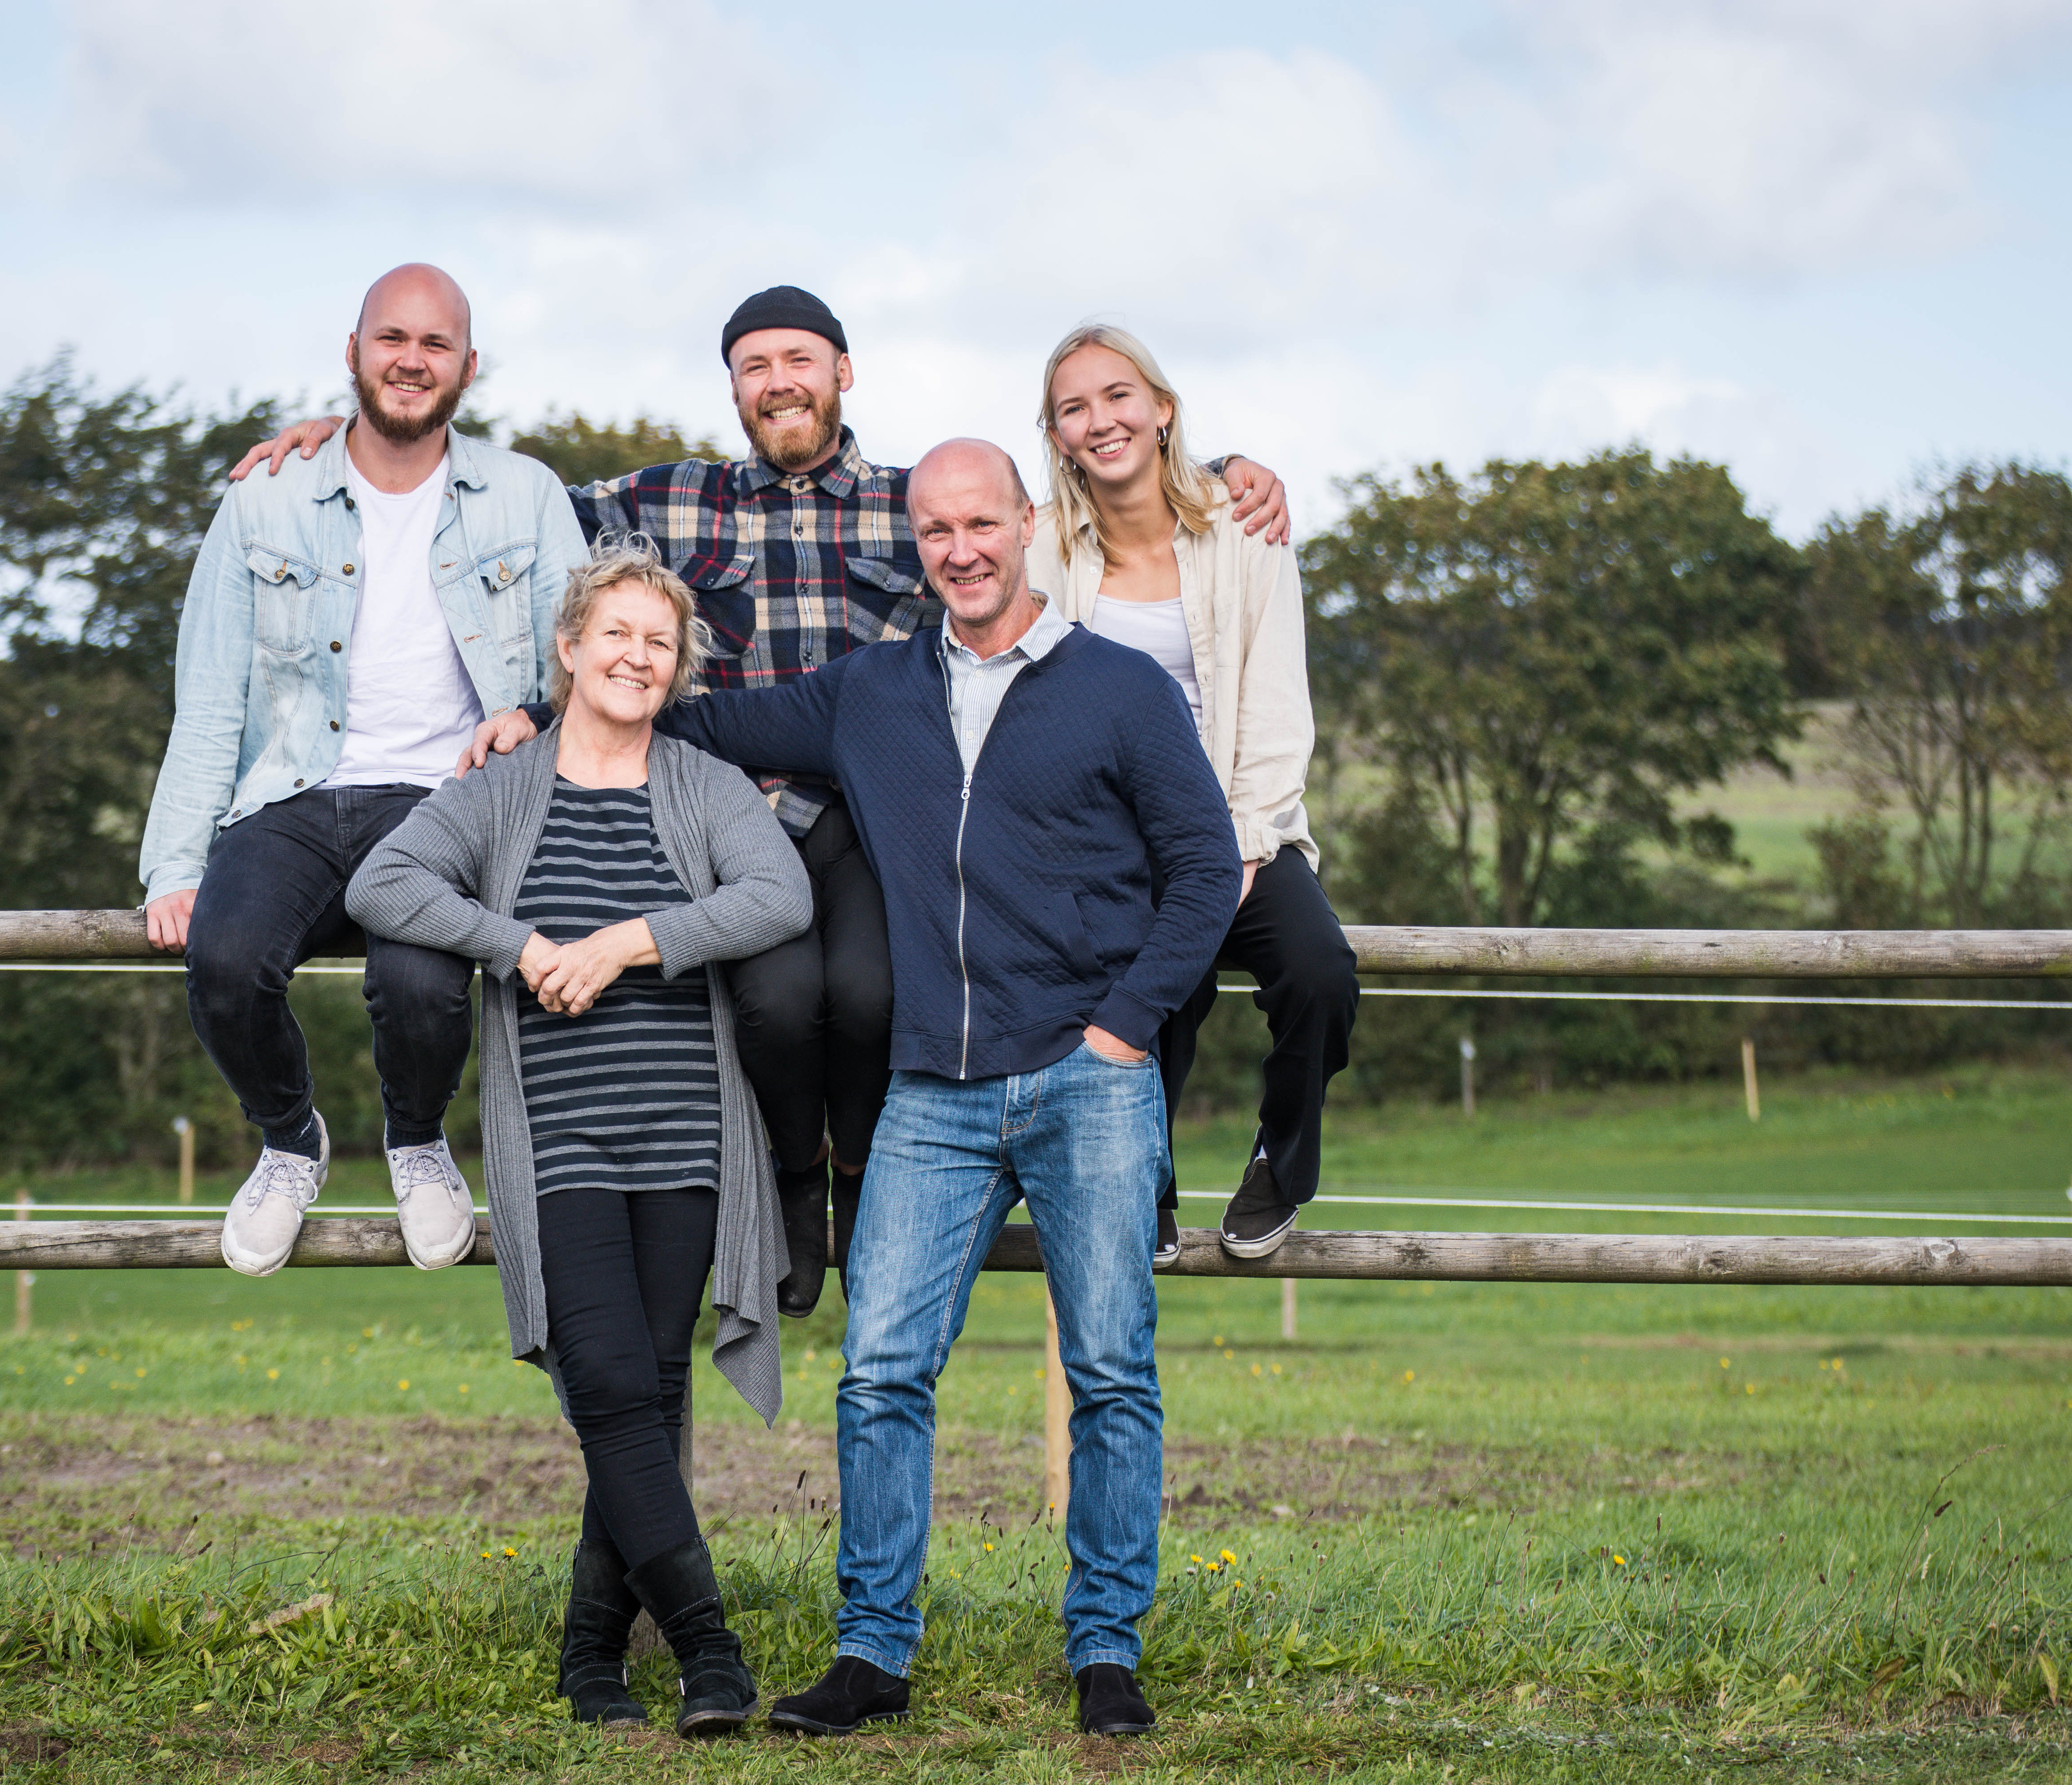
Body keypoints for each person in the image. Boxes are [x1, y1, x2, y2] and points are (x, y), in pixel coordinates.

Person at [240, 287, 1294, 1320]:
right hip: (745, 809)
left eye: (801, 360)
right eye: (756, 367)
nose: (779, 381)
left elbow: (1074, 500)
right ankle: (794, 1176)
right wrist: (365, 441)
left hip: (890, 821)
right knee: (777, 1005)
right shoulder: (673, 500)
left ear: (843, 372)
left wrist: (1227, 470)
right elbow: (500, 506)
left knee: (878, 998)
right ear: (736, 387)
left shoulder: (912, 497)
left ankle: (860, 1173)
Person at [650, 439, 1239, 1739]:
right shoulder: (871, 690)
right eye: (935, 530)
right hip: (934, 1090)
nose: (961, 549)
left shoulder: (1124, 689)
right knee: (879, 1374)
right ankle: (871, 1656)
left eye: (983, 522)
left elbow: (1206, 871)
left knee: (1112, 1374)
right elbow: (701, 721)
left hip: (1088, 1076)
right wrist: (559, 709)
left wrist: (1125, 1032)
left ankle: (1106, 1652)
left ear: (1028, 524)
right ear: (913, 543)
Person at [345, 538, 810, 1735]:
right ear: (568, 649)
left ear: (677, 668)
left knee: (645, 1391)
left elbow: (780, 895)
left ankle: (592, 1654)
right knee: (608, 1383)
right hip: (561, 1139)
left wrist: (627, 942)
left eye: (660, 644)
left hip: (691, 1138)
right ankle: (713, 1652)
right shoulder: (507, 790)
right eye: (617, 635)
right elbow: (386, 885)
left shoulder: (701, 786)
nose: (638, 658)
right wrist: (523, 947)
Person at [137, 263, 584, 1277]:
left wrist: (530, 713)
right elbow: (209, 694)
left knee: (422, 983)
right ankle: (290, 1140)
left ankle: (418, 1139)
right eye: (392, 338)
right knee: (222, 959)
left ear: (469, 367)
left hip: (443, 802)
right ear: (353, 353)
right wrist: (173, 861)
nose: (411, 361)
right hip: (293, 792)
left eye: (435, 345)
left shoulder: (528, 493)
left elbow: (580, 651)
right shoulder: (264, 499)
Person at [1027, 324, 1359, 1262]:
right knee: (1153, 985)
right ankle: (1148, 1183)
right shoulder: (1043, 547)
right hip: (1111, 841)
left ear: (1162, 408)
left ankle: (1283, 1162)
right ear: (1054, 436)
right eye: (1074, 408)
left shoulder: (1244, 527)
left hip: (1237, 825)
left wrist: (1245, 848)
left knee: (1320, 969)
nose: (1101, 421)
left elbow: (1276, 700)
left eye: (1119, 396)